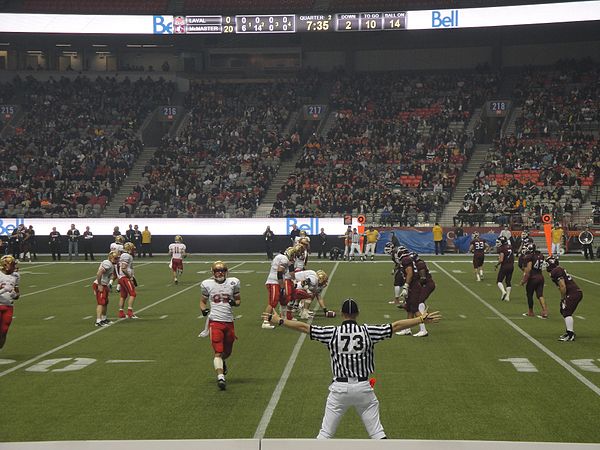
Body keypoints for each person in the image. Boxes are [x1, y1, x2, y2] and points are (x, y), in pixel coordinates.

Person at [262, 298, 441, 439]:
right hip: (364, 388)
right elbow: (395, 326)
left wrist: (280, 321)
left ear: (342, 314)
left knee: (324, 435)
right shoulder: (367, 331)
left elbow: (303, 327)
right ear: (357, 313)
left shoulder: (332, 333)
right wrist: (419, 319)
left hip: (339, 390)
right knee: (378, 434)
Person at [200, 261, 241, 390]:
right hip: (215, 321)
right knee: (218, 351)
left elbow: (239, 301)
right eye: (217, 271)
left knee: (227, 352)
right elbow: (202, 301)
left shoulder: (233, 283)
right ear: (213, 273)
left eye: (222, 270)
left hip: (229, 321)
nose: (220, 273)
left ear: (226, 271)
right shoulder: (207, 284)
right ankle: (220, 377)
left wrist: (233, 302)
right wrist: (203, 309)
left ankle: (222, 362)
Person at [546, 256, 583, 341]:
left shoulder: (555, 271)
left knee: (566, 311)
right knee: (564, 311)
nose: (546, 265)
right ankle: (569, 332)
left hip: (573, 293)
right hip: (574, 292)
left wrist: (563, 298)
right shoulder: (557, 269)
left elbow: (562, 286)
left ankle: (570, 334)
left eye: (547, 263)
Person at [262, 245, 300, 329]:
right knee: (273, 302)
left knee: (284, 300)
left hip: (276, 282)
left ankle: (283, 318)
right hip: (274, 282)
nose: (293, 258)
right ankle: (265, 321)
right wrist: (282, 287)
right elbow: (279, 273)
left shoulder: (281, 257)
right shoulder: (284, 259)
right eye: (293, 255)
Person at [394, 249, 425, 337]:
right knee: (409, 309)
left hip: (413, 286)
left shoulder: (406, 260)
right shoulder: (407, 259)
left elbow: (410, 273)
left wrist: (406, 286)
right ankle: (407, 329)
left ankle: (423, 330)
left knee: (415, 308)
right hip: (412, 286)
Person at [520, 243, 548, 318]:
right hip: (540, 277)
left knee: (529, 295)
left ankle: (530, 312)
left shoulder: (529, 257)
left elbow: (528, 270)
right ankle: (545, 311)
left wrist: (524, 280)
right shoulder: (541, 255)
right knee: (540, 295)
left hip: (533, 278)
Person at [92, 251, 119, 327]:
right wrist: (99, 284)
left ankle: (104, 319)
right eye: (116, 258)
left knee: (105, 302)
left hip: (104, 285)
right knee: (101, 302)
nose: (117, 260)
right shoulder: (107, 263)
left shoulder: (111, 264)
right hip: (100, 284)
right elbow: (99, 273)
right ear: (111, 258)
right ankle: (98, 321)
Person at [0, 255, 20, 348]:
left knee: (4, 332)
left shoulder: (16, 276)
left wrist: (14, 295)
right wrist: (3, 290)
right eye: (12, 265)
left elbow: (17, 294)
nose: (14, 267)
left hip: (9, 307)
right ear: (5, 265)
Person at [117, 242, 138, 319]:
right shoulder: (126, 255)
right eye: (132, 248)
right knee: (133, 294)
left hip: (122, 277)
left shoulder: (124, 255)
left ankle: (121, 312)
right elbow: (123, 267)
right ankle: (130, 312)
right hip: (125, 278)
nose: (133, 250)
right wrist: (130, 277)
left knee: (123, 296)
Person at [494, 236, 514, 302]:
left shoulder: (501, 248)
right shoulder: (510, 246)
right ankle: (507, 297)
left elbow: (501, 260)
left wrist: (497, 265)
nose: (498, 243)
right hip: (511, 266)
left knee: (499, 281)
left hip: (505, 266)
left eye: (499, 241)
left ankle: (503, 291)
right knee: (508, 282)